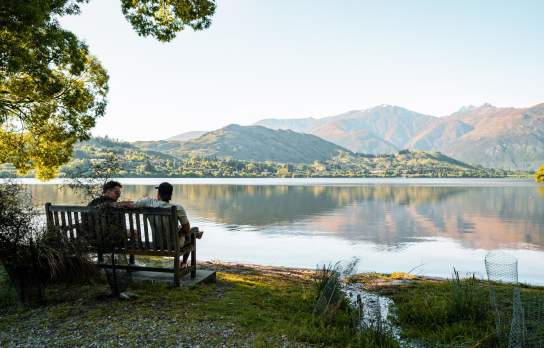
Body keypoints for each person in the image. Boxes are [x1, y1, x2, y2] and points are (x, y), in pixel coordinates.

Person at [130, 182, 203, 269]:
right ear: (171, 195)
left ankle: (196, 234)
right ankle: (183, 263)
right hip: (174, 245)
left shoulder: (147, 202)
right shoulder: (178, 208)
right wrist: (178, 233)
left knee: (188, 231)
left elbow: (130, 204)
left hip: (156, 244)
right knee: (192, 232)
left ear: (158, 194)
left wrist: (113, 204)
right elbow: (186, 229)